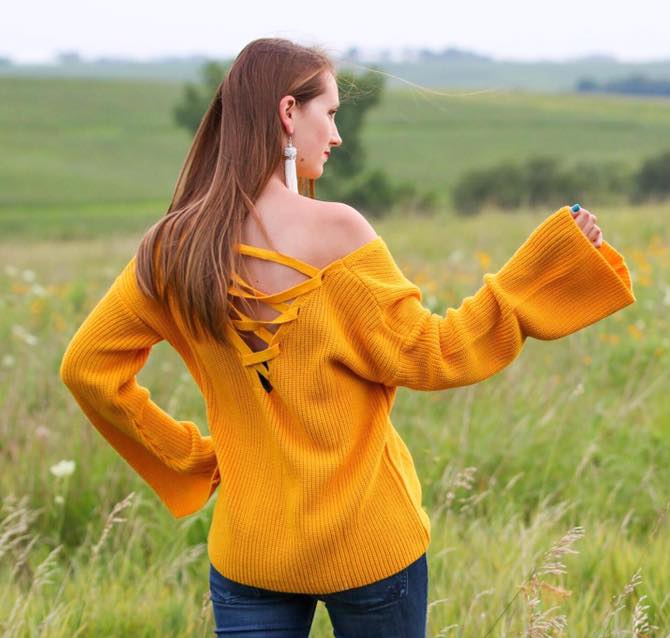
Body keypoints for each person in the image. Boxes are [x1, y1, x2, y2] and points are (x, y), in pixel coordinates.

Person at [58, 37, 635, 637]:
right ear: (288, 112)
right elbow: (436, 353)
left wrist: (196, 458)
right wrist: (542, 268)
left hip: (251, 552)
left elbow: (86, 368)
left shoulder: (172, 248)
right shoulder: (338, 232)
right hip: (370, 542)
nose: (335, 136)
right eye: (329, 114)